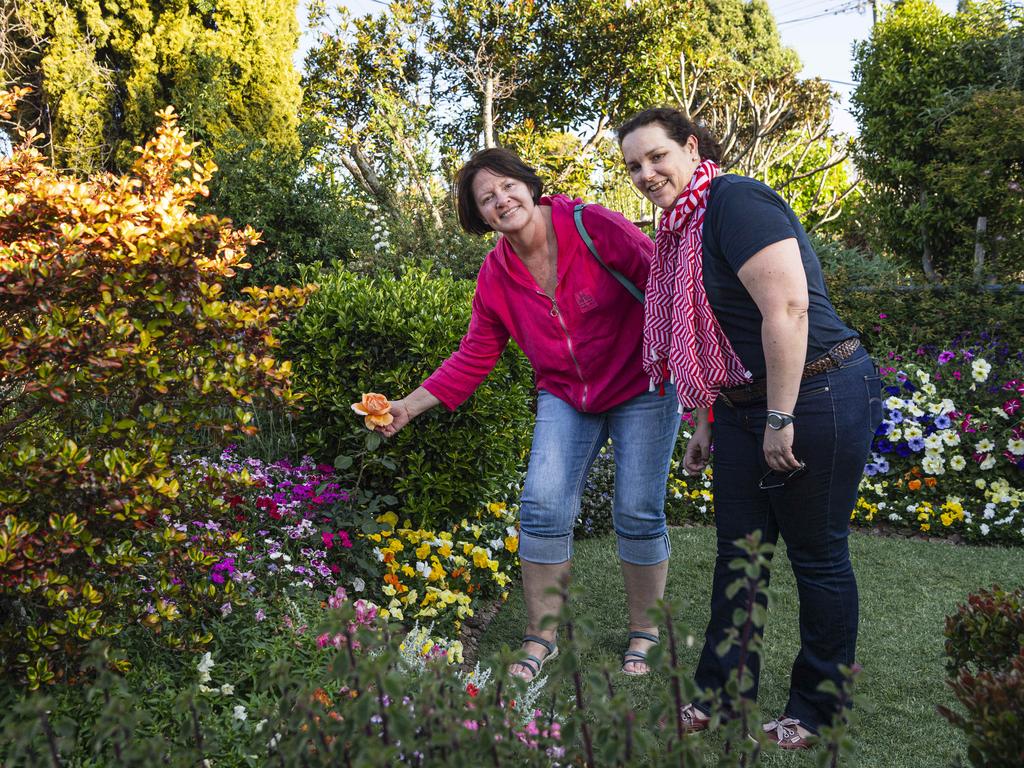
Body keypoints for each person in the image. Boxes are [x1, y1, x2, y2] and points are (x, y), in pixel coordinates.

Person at [617, 107, 882, 748]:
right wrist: (706, 421)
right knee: (739, 554)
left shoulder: (736, 201)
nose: (647, 173)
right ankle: (720, 693)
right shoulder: (678, 230)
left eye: (657, 157)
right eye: (633, 166)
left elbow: (786, 309)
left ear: (689, 146)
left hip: (816, 389)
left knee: (816, 556)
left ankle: (818, 709)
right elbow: (703, 336)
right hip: (738, 405)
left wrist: (780, 418)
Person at [377, 148, 681, 680]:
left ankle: (645, 631)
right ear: (481, 217)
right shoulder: (495, 276)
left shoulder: (592, 226)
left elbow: (667, 282)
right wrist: (408, 405)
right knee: (541, 508)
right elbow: (474, 354)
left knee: (637, 510)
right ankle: (541, 637)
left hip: (643, 384)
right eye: (486, 198)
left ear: (527, 184)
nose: (502, 200)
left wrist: (696, 363)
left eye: (507, 186)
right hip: (567, 394)